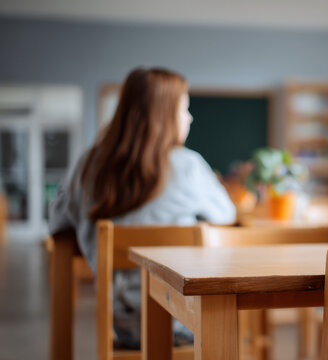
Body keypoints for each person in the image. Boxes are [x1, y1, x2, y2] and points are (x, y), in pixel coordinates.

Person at [48, 67, 236, 348]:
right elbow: (226, 215)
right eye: (184, 108)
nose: (190, 117)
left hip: (121, 326)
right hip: (181, 324)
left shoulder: (86, 164)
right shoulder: (189, 166)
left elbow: (57, 224)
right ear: (163, 114)